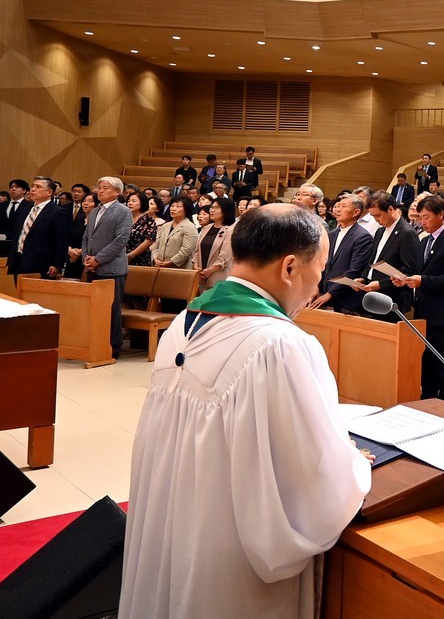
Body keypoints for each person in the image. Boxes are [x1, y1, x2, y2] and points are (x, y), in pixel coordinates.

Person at [120, 205, 370, 619]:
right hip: (228, 552)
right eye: (320, 269)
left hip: (178, 529)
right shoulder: (278, 343)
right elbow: (311, 472)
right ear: (290, 267)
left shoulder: (185, 321)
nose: (317, 285)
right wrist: (354, 467)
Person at [397, 195, 444, 401]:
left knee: (443, 362)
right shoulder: (425, 240)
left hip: (443, 312)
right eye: (420, 217)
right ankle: (428, 399)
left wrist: (423, 281)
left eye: (426, 217)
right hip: (425, 308)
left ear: (441, 215)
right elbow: (421, 270)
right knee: (427, 360)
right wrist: (406, 279)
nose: (422, 222)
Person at [82, 177, 132, 359]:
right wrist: (87, 259)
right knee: (94, 309)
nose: (100, 191)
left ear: (117, 192)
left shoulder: (123, 211)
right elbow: (87, 237)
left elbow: (120, 240)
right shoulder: (95, 211)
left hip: (112, 268)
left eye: (105, 188)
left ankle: (112, 348)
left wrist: (99, 259)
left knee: (111, 309)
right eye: (99, 188)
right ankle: (95, 345)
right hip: (93, 267)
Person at [309, 193, 375, 314]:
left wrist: (330, 294)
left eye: (343, 206)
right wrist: (316, 286)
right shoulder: (332, 234)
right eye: (337, 206)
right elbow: (322, 263)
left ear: (355, 212)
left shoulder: (362, 237)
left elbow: (354, 270)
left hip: (345, 300)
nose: (338, 209)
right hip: (324, 294)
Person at [6, 175, 70, 279]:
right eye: (32, 186)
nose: (33, 189)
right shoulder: (25, 209)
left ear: (49, 192)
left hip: (41, 263)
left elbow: (62, 241)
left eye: (38, 187)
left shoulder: (57, 212)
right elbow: (19, 234)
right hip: (18, 260)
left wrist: (57, 264)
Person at [193, 198, 236, 292]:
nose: (212, 210)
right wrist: (196, 265)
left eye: (216, 208)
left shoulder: (230, 230)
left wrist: (209, 270)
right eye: (212, 207)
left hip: (218, 275)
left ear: (225, 211)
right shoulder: (206, 228)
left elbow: (225, 257)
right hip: (200, 275)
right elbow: (196, 250)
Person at [154, 197, 198, 269]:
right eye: (172, 205)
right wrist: (155, 259)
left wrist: (171, 262)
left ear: (186, 210)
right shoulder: (165, 225)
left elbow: (187, 250)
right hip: (158, 265)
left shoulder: (190, 227)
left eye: (178, 206)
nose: (173, 209)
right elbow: (156, 245)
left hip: (178, 268)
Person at [124, 192, 156, 267]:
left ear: (142, 202)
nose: (130, 203)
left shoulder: (148, 220)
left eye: (134, 201)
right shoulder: (124, 218)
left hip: (140, 258)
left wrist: (130, 255)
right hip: (121, 256)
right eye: (129, 201)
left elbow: (148, 242)